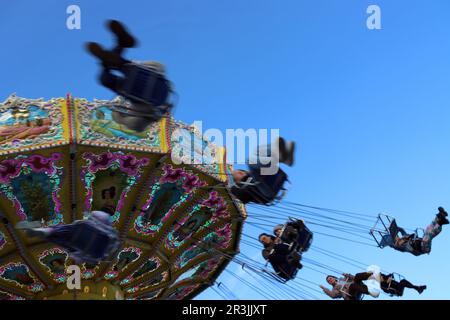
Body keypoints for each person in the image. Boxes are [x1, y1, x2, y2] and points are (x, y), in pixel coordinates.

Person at [86, 20, 172, 132]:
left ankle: (118, 52)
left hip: (141, 82)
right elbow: (136, 126)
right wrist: (119, 117)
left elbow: (136, 125)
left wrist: (119, 116)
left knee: (115, 73)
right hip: (143, 87)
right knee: (107, 78)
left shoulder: (161, 98)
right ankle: (117, 54)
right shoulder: (156, 108)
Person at [15, 211, 120, 265]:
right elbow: (80, 259)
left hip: (83, 230)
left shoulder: (111, 236)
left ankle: (41, 230)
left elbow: (99, 215)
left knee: (58, 230)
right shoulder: (98, 256)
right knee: (59, 239)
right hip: (77, 243)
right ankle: (42, 232)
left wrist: (89, 215)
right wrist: (72, 253)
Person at [231, 137, 295, 204]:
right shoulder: (241, 189)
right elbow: (241, 197)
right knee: (250, 161)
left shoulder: (252, 176)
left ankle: (283, 157)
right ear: (235, 181)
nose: (241, 172)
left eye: (240, 171)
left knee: (258, 151)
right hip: (266, 191)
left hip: (269, 181)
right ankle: (279, 156)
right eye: (237, 173)